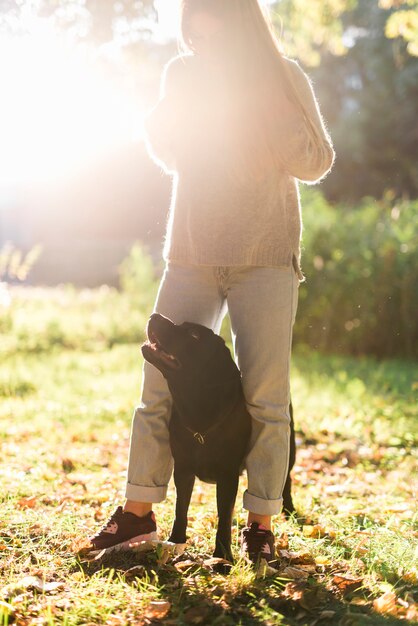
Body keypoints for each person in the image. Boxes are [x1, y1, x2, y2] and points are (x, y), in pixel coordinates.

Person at [89, 0, 335, 562]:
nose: (199, 43)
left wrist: (271, 108)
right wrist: (164, 122)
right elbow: (172, 154)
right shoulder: (184, 73)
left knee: (266, 397)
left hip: (265, 258)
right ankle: (137, 514)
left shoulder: (283, 74)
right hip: (194, 255)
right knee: (157, 388)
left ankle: (260, 526)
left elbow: (316, 161)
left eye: (210, 31)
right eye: (191, 34)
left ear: (241, 25)